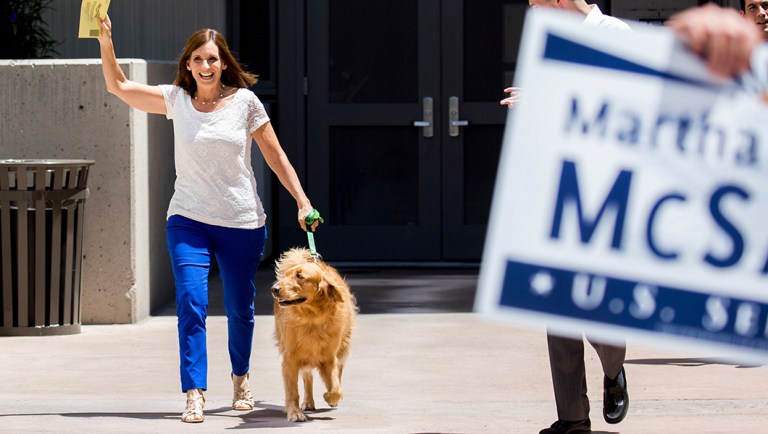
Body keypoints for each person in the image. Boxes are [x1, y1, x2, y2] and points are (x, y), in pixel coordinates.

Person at [95, 15, 320, 423]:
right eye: (197, 58)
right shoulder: (176, 100)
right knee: (192, 303)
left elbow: (275, 155)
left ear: (223, 63)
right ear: (187, 64)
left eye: (212, 59)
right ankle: (194, 392)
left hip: (241, 221)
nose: (205, 65)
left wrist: (302, 202)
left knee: (240, 308)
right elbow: (119, 87)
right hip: (188, 219)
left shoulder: (246, 103)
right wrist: (105, 40)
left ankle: (241, 379)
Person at [501, 0, 631, 108]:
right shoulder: (558, 42)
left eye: (537, 7)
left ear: (559, 1)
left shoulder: (614, 31)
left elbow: (609, 92)